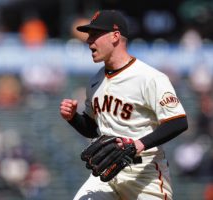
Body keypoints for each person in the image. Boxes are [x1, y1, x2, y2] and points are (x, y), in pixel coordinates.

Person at [60, 10, 188, 200]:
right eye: (88, 35)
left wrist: (139, 144)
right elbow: (92, 129)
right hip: (106, 173)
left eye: (95, 34)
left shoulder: (149, 77)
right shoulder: (95, 82)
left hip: (145, 174)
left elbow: (178, 122)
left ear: (115, 36)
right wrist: (73, 118)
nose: (88, 41)